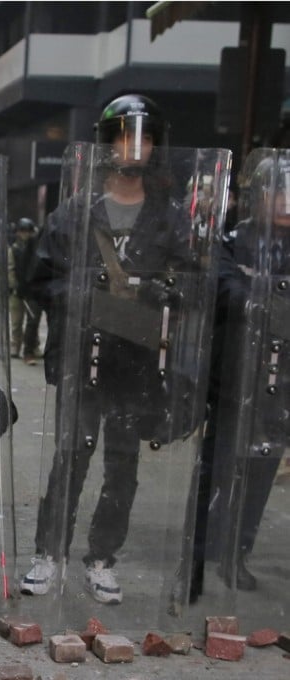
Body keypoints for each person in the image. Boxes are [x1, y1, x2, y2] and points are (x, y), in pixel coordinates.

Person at [20, 94, 197, 604]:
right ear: (107, 144)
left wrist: (167, 293)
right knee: (70, 456)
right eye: (124, 136)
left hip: (136, 359)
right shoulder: (76, 212)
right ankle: (48, 553)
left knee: (123, 464)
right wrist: (81, 296)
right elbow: (37, 278)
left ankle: (101, 557)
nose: (134, 147)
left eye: (143, 137)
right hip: (84, 352)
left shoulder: (167, 218)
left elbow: (191, 280)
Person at [189, 152, 290, 600]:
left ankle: (237, 551)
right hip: (234, 370)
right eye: (278, 192)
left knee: (262, 464)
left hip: (281, 376)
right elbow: (219, 284)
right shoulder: (233, 239)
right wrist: (255, 302)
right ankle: (202, 544)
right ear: (259, 195)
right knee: (220, 459)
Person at [8, 217, 43, 364]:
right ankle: (16, 344)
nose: (25, 234)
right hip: (17, 291)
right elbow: (10, 270)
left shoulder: (35, 248)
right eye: (22, 231)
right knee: (17, 321)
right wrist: (15, 286)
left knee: (32, 319)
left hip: (30, 289)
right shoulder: (13, 250)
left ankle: (33, 346)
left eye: (27, 231)